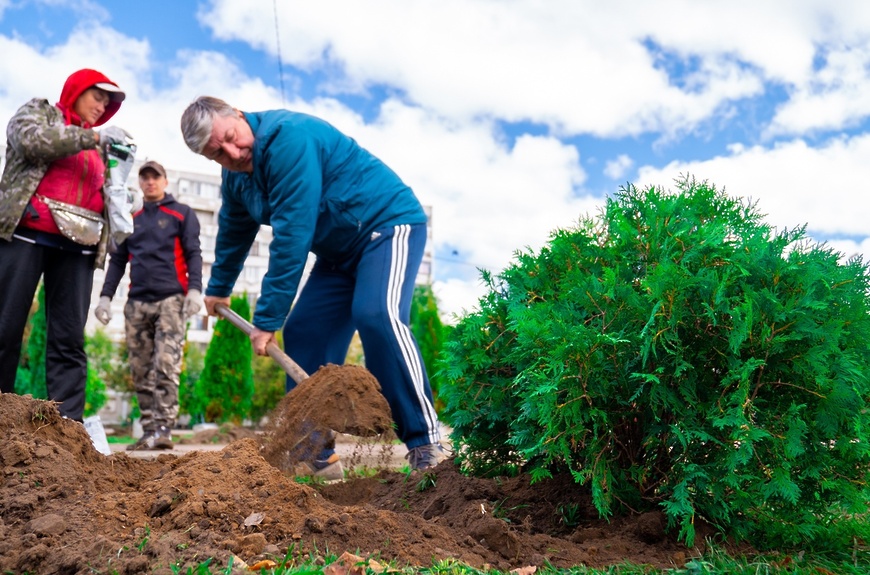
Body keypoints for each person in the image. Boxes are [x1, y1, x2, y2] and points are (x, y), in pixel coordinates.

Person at [180, 96, 445, 477]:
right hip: (338, 254)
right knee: (305, 331)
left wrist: (267, 319)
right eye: (217, 154)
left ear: (238, 115)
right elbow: (235, 233)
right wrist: (219, 286)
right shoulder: (235, 177)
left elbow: (292, 236)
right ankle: (315, 454)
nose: (233, 153)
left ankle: (425, 442)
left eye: (232, 138)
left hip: (387, 226)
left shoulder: (290, 140)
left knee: (377, 315)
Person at [0, 68, 131, 422]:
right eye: (97, 97)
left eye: (108, 102)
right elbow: (30, 141)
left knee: (69, 340)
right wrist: (93, 139)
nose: (102, 106)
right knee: (4, 326)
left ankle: (67, 427)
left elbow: (110, 190)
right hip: (27, 234)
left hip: (80, 247)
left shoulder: (102, 144)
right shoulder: (41, 113)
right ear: (76, 92)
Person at [94, 160, 203, 450]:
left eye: (155, 177)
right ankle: (149, 430)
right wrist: (105, 296)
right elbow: (117, 260)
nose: (150, 182)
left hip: (171, 300)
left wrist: (195, 290)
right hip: (137, 303)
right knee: (140, 368)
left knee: (166, 363)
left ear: (165, 181)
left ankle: (165, 429)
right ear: (140, 183)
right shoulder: (131, 218)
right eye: (145, 178)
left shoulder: (182, 214)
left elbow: (193, 253)